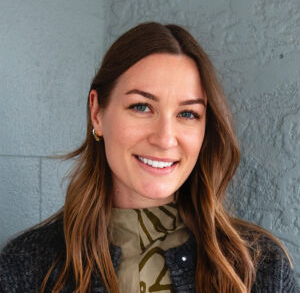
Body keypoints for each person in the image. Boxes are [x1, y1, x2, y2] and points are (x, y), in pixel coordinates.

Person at [0, 22, 298, 293]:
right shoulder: (27, 267)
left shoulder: (260, 267)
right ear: (97, 113)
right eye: (142, 107)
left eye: (187, 113)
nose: (165, 138)